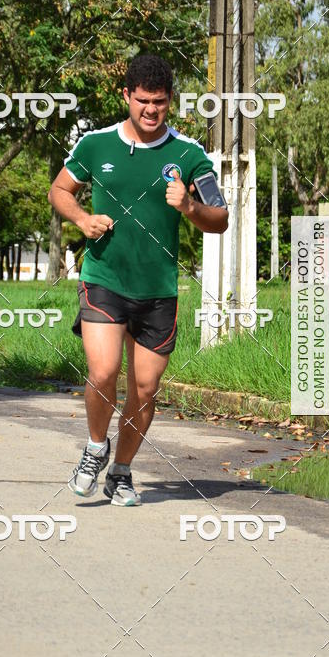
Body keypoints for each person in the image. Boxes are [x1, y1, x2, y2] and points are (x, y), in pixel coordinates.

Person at [48, 54, 228, 506]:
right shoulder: (96, 145)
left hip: (158, 290)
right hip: (105, 277)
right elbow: (59, 190)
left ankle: (121, 473)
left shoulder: (189, 156)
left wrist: (189, 207)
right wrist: (83, 219)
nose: (151, 110)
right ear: (126, 96)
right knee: (103, 371)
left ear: (171, 102)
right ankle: (94, 447)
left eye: (161, 103)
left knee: (145, 388)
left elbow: (220, 217)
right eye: (143, 101)